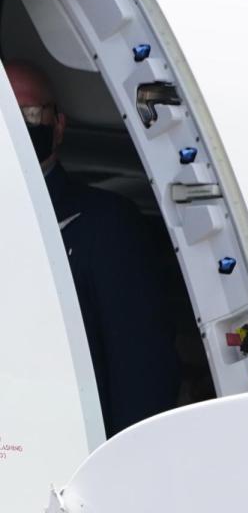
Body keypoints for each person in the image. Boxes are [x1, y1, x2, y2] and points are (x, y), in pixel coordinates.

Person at [6, 60, 180, 437]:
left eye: (30, 113)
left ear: (59, 126)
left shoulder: (105, 224)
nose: (16, 127)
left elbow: (141, 368)